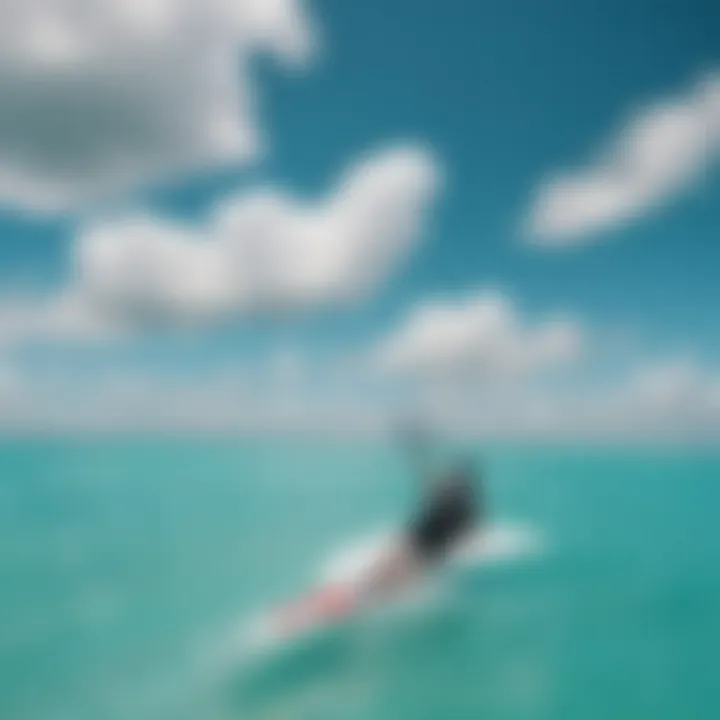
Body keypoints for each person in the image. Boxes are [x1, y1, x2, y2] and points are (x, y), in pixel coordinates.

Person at [363, 457, 482, 598]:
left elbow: (461, 532)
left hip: (425, 549)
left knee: (392, 573)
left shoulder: (457, 503)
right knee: (387, 570)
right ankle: (361, 592)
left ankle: (363, 594)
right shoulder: (458, 504)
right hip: (419, 544)